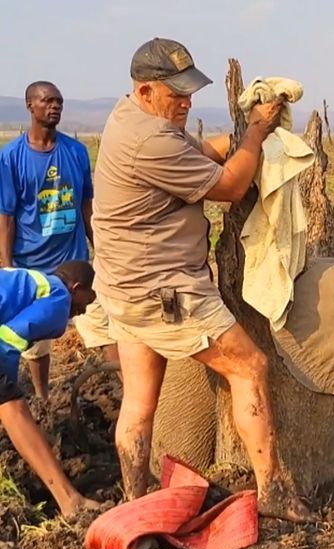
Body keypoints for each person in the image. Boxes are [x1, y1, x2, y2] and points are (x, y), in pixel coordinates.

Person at [90, 37, 315, 522]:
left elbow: (201, 152)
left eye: (190, 91)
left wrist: (240, 140)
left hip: (123, 286)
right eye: (177, 93)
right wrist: (254, 138)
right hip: (163, 289)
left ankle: (135, 504)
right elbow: (231, 187)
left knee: (138, 401)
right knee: (250, 366)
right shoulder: (149, 140)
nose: (187, 101)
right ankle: (272, 490)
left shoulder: (132, 117)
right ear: (146, 90)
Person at [0, 81, 112, 401]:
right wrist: (8, 265)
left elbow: (87, 205)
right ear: (29, 106)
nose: (55, 106)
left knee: (101, 323)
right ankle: (43, 398)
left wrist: (99, 246)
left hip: (73, 261)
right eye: (47, 101)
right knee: (35, 343)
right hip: (32, 262)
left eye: (59, 101)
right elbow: (6, 215)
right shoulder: (11, 158)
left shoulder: (75, 152)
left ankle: (121, 391)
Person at [0, 261, 101, 516]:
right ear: (76, 289)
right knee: (13, 407)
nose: (79, 313)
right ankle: (69, 500)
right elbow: (8, 340)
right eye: (83, 304)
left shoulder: (33, 281)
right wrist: (8, 388)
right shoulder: (59, 299)